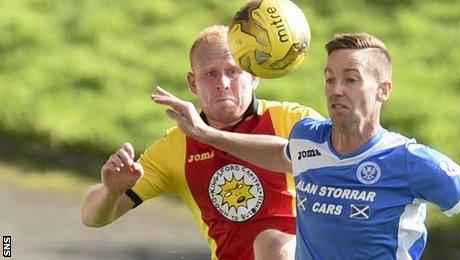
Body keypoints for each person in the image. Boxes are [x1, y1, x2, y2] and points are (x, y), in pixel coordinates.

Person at [152, 33, 460, 259]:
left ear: (383, 89)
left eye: (351, 79)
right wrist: (203, 133)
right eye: (329, 79)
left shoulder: (410, 162)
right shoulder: (310, 141)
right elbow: (279, 153)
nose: (336, 89)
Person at [80, 25, 322, 260]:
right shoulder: (175, 147)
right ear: (193, 83)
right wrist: (111, 193)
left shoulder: (295, 121)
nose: (223, 83)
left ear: (254, 76)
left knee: (274, 246)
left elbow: (350, 168)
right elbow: (92, 218)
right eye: (210, 73)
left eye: (233, 71)